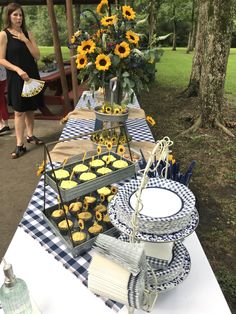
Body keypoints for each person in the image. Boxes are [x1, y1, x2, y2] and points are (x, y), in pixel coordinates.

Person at [0, 2, 44, 159]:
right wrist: (18, 70)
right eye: (15, 15)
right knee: (19, 112)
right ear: (9, 16)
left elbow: (37, 56)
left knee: (31, 108)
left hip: (31, 75)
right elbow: (1, 59)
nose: (18, 18)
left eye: (20, 15)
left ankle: (30, 135)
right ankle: (20, 145)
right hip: (17, 77)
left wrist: (25, 39)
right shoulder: (4, 34)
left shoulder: (28, 33)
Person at [0, 65, 10, 135]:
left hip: (2, 75)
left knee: (1, 100)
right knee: (2, 99)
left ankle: (2, 125)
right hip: (3, 75)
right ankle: (5, 124)